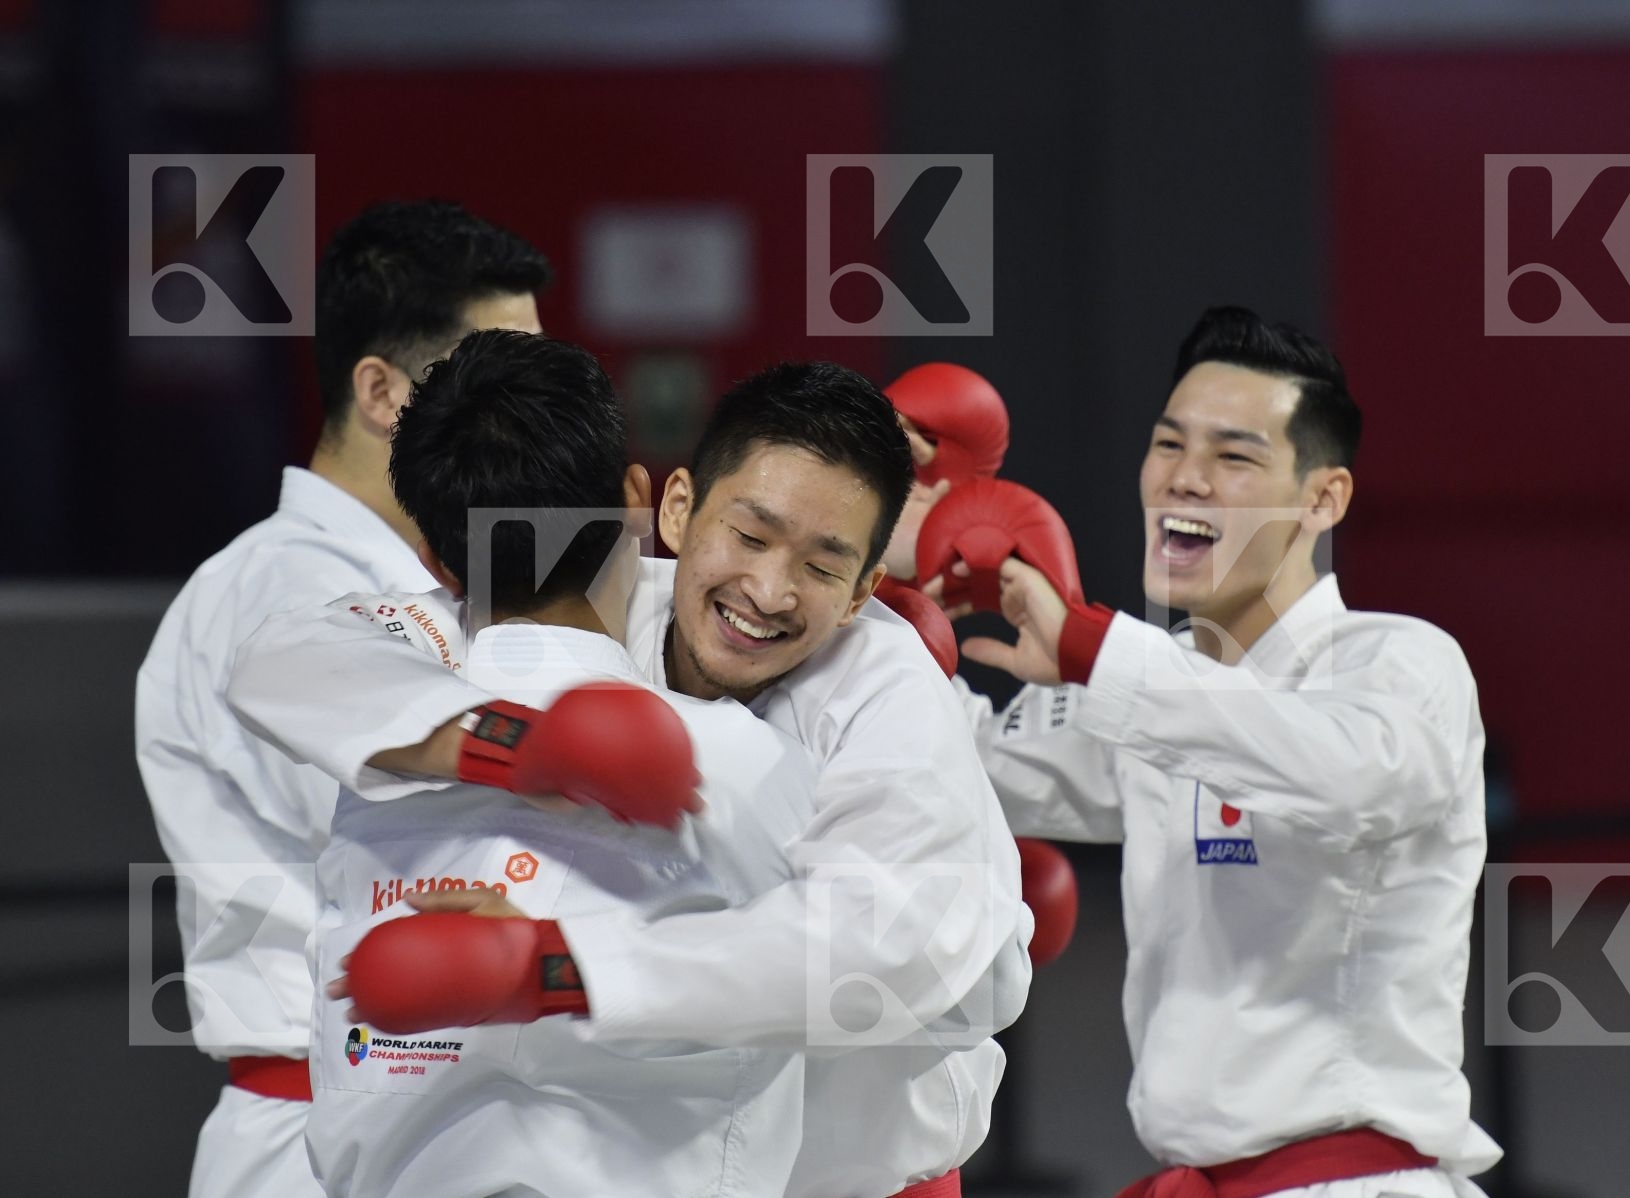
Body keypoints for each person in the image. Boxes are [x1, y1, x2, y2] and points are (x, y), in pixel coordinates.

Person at [228, 359, 1033, 1198]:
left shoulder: (885, 688)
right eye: (750, 536)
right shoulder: (593, 593)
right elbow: (283, 659)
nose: (766, 590)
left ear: (867, 588)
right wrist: (517, 744)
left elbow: (911, 955)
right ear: (674, 507)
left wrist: (553, 966)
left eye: (823, 568)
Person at [917, 307, 1502, 1196]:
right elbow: (956, 760)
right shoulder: (1161, 696)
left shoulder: (1402, 664)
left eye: (1234, 456)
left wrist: (1091, 651)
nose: (1185, 479)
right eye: (1167, 445)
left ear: (1323, 498)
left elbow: (1341, 771)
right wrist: (878, 588)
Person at [308, 329, 820, 1197]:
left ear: (434, 557)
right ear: (637, 497)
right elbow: (918, 968)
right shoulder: (741, 762)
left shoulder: (363, 778)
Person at [134, 199, 551, 1198]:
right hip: (320, 1135)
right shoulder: (275, 593)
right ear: (380, 391)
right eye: (501, 379)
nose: (536, 418)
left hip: (443, 1120)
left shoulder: (456, 591)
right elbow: (439, 840)